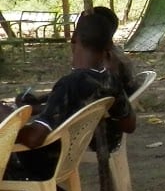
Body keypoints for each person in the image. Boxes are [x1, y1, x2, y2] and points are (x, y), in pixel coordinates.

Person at [2, 10, 135, 181]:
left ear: (73, 40)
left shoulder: (69, 84)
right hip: (67, 158)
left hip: (42, 164)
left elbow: (35, 139)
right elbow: (130, 124)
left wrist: (10, 124)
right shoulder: (109, 81)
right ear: (109, 45)